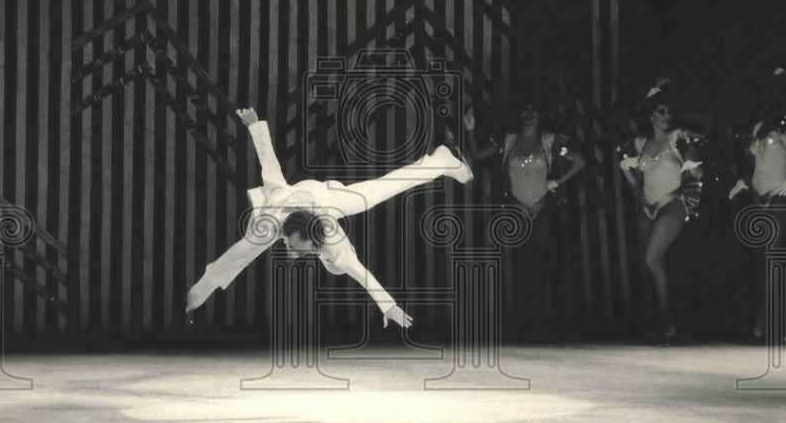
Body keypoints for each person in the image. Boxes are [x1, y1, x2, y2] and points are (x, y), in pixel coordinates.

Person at [185, 107, 474, 328]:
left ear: (316, 243)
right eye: (289, 243)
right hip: (294, 198)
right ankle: (439, 162)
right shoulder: (270, 222)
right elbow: (269, 169)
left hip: (330, 199)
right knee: (252, 250)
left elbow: (360, 273)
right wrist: (255, 125)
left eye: (295, 248)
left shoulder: (333, 240)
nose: (289, 250)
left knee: (380, 193)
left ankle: (441, 160)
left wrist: (388, 306)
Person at [463, 101, 585, 329]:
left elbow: (579, 161)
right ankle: (524, 317)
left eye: (534, 110)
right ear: (520, 114)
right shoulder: (508, 140)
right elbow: (479, 155)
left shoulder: (550, 141)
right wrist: (470, 129)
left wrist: (557, 182)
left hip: (542, 206)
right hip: (516, 207)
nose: (530, 114)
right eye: (525, 110)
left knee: (540, 262)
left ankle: (537, 317)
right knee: (522, 262)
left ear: (540, 114)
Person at [728, 68, 786, 340]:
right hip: (756, 195)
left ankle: (768, 318)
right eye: (763, 96)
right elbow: (751, 164)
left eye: (771, 96)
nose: (766, 101)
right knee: (759, 259)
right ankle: (769, 317)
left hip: (780, 196)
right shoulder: (757, 128)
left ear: (780, 99)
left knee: (771, 257)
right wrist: (742, 182)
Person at [619, 85, 704, 342]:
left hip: (673, 202)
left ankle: (666, 318)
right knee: (650, 265)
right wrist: (624, 167)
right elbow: (635, 183)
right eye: (661, 111)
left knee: (651, 258)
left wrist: (693, 165)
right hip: (647, 205)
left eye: (669, 112)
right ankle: (652, 319)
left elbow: (699, 173)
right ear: (650, 115)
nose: (667, 116)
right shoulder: (638, 143)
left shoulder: (678, 137)